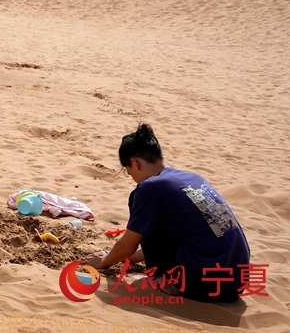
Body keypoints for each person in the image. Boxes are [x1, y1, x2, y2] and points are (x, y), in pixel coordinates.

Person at [83, 124, 250, 303]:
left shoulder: (150, 187)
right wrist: (129, 258)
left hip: (204, 284)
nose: (131, 176)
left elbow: (128, 245)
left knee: (138, 199)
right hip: (236, 283)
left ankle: (168, 280)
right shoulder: (191, 178)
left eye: (128, 171)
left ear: (134, 162)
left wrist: (103, 262)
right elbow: (183, 237)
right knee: (160, 216)